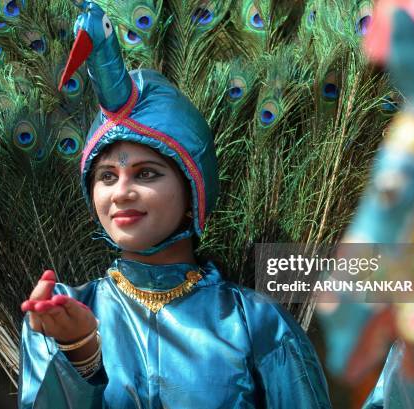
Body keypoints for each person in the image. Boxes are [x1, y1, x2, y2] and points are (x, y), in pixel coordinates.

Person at [18, 2, 331, 408]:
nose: (121, 192)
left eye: (146, 174)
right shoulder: (62, 314)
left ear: (193, 191)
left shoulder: (257, 324)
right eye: (107, 176)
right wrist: (80, 355)